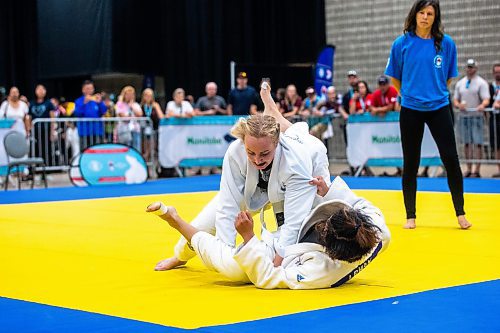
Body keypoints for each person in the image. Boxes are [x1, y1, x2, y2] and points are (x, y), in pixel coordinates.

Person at [154, 80, 331, 271]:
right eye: (251, 153)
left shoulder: (297, 162)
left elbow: (295, 222)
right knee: (199, 227)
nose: (257, 160)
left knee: (317, 226)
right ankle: (180, 256)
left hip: (304, 170)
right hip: (255, 189)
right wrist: (223, 253)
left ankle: (272, 111)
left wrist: (278, 262)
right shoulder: (235, 152)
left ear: (277, 143)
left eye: (264, 154)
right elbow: (228, 205)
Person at [146, 175, 390, 289]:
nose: (321, 224)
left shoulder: (321, 272)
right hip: (299, 195)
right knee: (231, 201)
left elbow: (267, 277)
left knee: (233, 270)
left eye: (323, 229)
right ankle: (181, 254)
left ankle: (176, 221)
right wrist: (330, 193)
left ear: (331, 252)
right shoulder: (375, 230)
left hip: (280, 243)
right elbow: (360, 205)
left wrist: (249, 237)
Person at [385, 0, 471, 229]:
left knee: (451, 159)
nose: (425, 17)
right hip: (411, 109)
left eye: (430, 13)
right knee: (411, 163)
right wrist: (406, 93)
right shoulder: (401, 43)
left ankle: (460, 213)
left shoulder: (447, 44)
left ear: (435, 17)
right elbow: (393, 75)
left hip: (439, 107)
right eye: (421, 12)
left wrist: (435, 90)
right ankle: (410, 216)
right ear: (415, 15)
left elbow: (449, 75)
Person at [453, 59, 490, 178]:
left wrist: (482, 105)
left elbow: (486, 99)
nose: (470, 69)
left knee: (478, 142)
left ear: (476, 68)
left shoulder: (481, 83)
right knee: (467, 143)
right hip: (465, 117)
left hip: (476, 116)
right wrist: (459, 105)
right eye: (468, 67)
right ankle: (469, 168)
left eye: (472, 67)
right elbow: (455, 99)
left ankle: (477, 169)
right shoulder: (461, 83)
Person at [73, 80, 107, 150]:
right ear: (83, 90)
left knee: (98, 150)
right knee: (85, 151)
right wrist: (84, 103)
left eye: (91, 88)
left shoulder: (96, 100)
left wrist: (100, 103)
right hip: (84, 131)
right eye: (87, 89)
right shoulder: (79, 101)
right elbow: (77, 113)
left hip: (97, 131)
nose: (89, 90)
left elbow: (103, 112)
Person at [28, 84, 57, 166]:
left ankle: (47, 166)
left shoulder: (49, 103)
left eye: (42, 89)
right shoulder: (32, 103)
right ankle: (36, 167)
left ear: (45, 91)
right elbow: (29, 117)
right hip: (35, 130)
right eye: (38, 89)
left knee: (46, 148)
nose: (40, 91)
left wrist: (52, 131)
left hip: (46, 129)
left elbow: (52, 117)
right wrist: (29, 129)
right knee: (35, 148)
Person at [115, 86, 143, 151]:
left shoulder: (135, 105)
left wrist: (131, 107)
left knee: (136, 149)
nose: (130, 96)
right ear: (124, 95)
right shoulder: (119, 104)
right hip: (123, 130)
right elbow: (122, 116)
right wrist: (130, 116)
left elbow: (140, 114)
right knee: (125, 148)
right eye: (128, 94)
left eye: (131, 94)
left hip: (135, 130)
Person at [141, 88, 164, 162]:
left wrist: (156, 108)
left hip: (154, 129)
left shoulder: (155, 105)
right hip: (144, 130)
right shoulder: (141, 106)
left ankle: (150, 159)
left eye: (150, 96)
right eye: (146, 95)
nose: (148, 97)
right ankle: (146, 159)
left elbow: (161, 116)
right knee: (145, 146)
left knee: (153, 146)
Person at [489, 63, 500, 177]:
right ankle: (499, 168)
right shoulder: (490, 86)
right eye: (496, 72)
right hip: (495, 118)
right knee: (496, 145)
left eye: (499, 72)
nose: (498, 74)